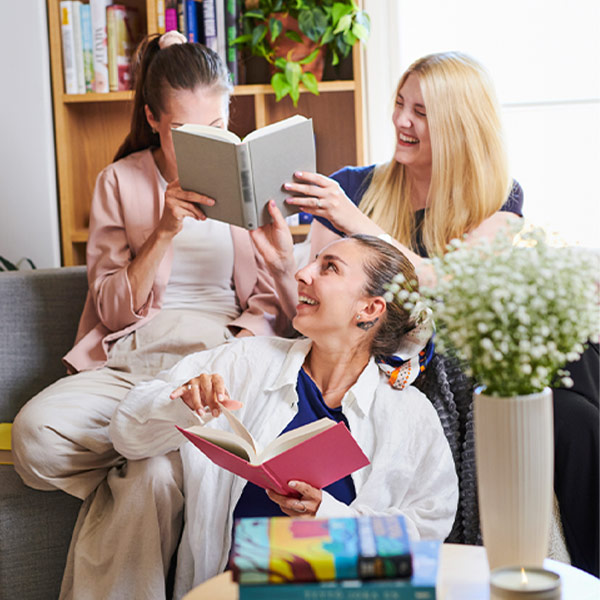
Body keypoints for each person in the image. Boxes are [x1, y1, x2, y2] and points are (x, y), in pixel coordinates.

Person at [254, 50, 598, 573]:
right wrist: (283, 263)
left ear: (459, 125)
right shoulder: (351, 188)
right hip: (409, 362)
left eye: (420, 111)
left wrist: (355, 221)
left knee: (580, 408)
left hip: (484, 357)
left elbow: (449, 283)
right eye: (399, 104)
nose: (401, 120)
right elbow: (313, 300)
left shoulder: (496, 199)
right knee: (576, 419)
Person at [11, 32, 289, 599]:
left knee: (152, 476)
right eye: (185, 131)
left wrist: (236, 346)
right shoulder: (120, 180)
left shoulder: (252, 184)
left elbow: (271, 305)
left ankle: (150, 442)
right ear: (153, 120)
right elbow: (111, 311)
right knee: (36, 438)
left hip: (213, 362)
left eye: (217, 126)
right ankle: (149, 441)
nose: (205, 143)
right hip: (133, 357)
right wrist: (163, 231)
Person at [110, 234, 459, 598]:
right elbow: (126, 433)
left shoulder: (409, 414)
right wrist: (182, 404)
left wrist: (328, 515)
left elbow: (430, 529)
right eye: (313, 261)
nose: (302, 273)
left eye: (329, 268)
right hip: (228, 590)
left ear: (370, 309)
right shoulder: (244, 360)